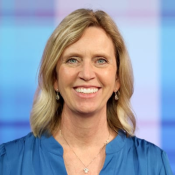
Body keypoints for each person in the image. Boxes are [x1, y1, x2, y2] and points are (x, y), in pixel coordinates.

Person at [0, 8, 173, 175]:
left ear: (117, 80)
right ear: (54, 78)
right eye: (73, 60)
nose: (86, 74)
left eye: (101, 60)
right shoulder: (8, 162)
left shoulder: (152, 163)